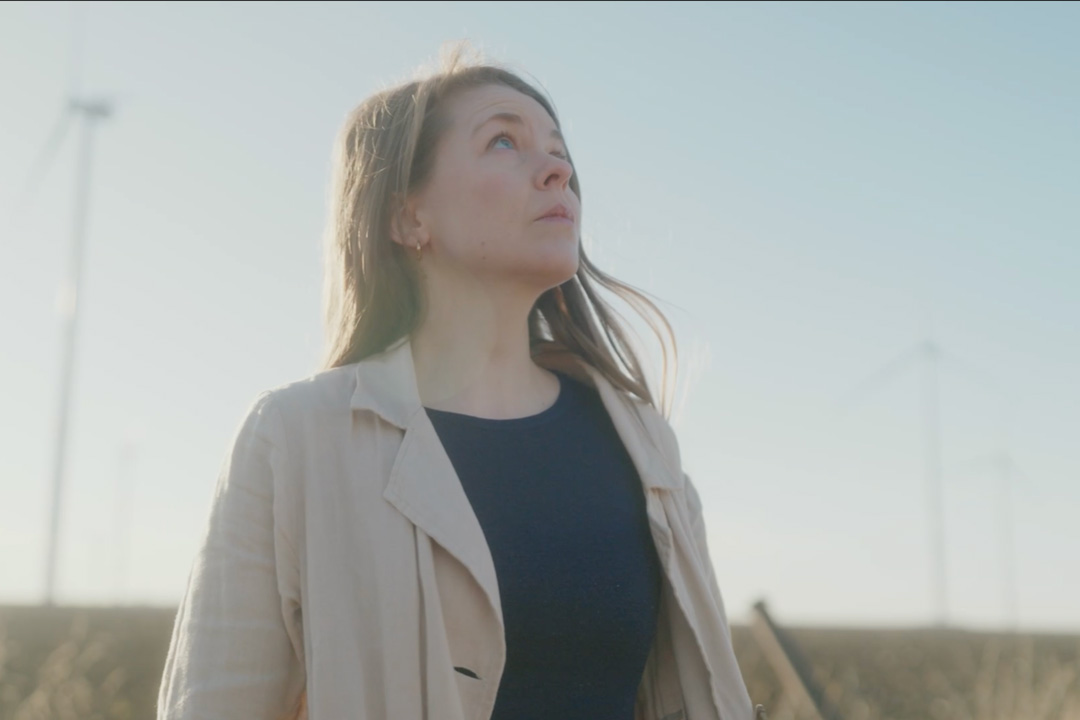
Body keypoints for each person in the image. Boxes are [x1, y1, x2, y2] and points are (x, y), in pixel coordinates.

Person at [157, 45, 765, 720]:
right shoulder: (295, 438)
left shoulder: (643, 443)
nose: (558, 169)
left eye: (559, 151)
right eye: (504, 140)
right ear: (407, 217)